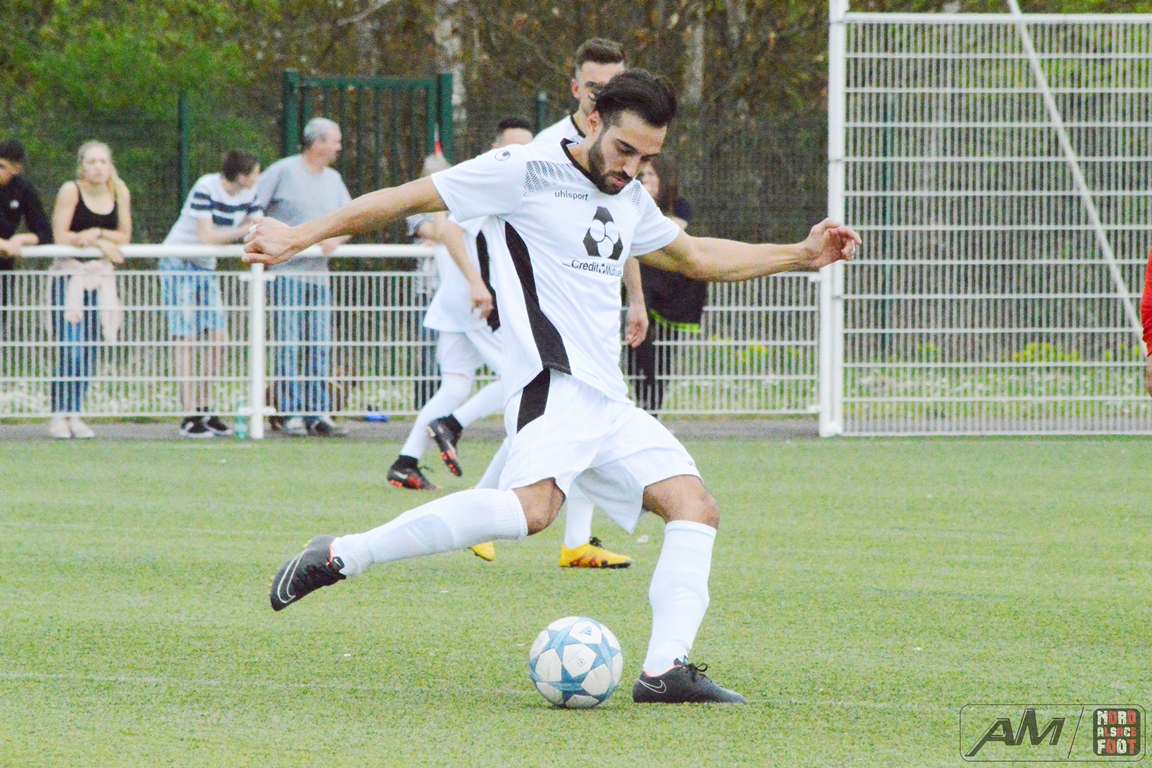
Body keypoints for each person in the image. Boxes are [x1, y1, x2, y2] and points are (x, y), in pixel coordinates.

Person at [246, 70, 859, 704]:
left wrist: (801, 254)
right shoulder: (523, 170)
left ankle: (665, 671)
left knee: (694, 506)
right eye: (624, 150)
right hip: (552, 380)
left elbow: (696, 257)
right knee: (532, 513)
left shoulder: (629, 197)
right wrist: (299, 236)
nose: (632, 169)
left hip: (607, 398)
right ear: (593, 121)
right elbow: (406, 198)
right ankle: (343, 553)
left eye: (647, 158)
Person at [429, 117, 643, 568]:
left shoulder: (613, 173)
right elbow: (447, 225)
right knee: (537, 410)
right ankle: (454, 442)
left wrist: (636, 299)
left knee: (575, 426)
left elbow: (629, 241)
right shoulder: (524, 168)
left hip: (587, 336)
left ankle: (573, 541)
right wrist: (477, 282)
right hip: (516, 314)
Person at [386, 153, 499, 490]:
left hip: (456, 304)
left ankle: (405, 463)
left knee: (454, 388)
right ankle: (452, 424)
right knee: (525, 377)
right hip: (472, 302)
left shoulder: (469, 197)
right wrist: (477, 284)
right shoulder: (484, 194)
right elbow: (446, 231)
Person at [254, 117, 352, 437]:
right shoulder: (283, 171)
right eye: (335, 141)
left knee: (319, 343)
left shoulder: (334, 180)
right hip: (287, 274)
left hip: (318, 277)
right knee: (289, 343)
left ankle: (317, 412)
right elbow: (253, 209)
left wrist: (336, 240)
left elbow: (350, 217)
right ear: (318, 143)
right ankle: (290, 412)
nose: (339, 147)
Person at [161, 150, 262, 438]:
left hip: (206, 266)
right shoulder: (206, 187)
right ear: (241, 176)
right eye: (254, 173)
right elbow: (208, 236)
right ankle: (189, 414)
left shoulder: (250, 194)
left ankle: (205, 408)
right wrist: (245, 229)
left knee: (218, 337)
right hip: (179, 261)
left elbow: (260, 225)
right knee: (186, 337)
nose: (258, 179)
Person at [47, 141, 132, 439]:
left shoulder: (119, 191)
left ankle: (75, 412)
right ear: (82, 167)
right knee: (71, 348)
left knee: (90, 349)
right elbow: (61, 235)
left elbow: (124, 235)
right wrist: (97, 243)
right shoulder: (70, 191)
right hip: (71, 276)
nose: (98, 167)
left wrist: (97, 235)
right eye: (92, 162)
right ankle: (58, 413)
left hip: (100, 280)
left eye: (103, 161)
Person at [628, 154, 706, 414]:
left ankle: (654, 405)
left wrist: (649, 206)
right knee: (636, 346)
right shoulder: (633, 203)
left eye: (651, 175)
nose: (646, 180)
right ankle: (643, 400)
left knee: (664, 348)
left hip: (672, 286)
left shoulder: (680, 206)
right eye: (643, 175)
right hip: (644, 281)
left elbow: (669, 234)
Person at [0, 140, 53, 339]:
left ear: (16, 169)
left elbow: (45, 233)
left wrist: (21, 239)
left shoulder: (23, 189)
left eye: (1, 166)